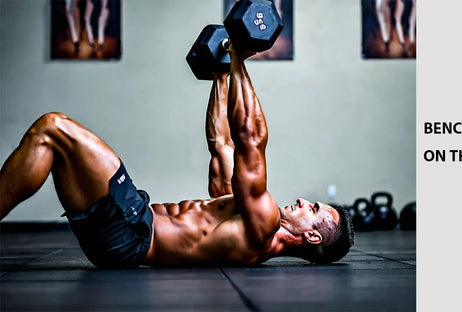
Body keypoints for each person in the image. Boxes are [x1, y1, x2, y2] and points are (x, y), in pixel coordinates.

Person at [0, 42, 354, 268]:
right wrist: (221, 76)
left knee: (52, 128)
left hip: (130, 231)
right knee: (53, 145)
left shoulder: (262, 226)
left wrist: (239, 58)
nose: (304, 201)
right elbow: (223, 144)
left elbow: (250, 138)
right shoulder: (246, 218)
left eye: (315, 210)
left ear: (312, 237)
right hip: (119, 238)